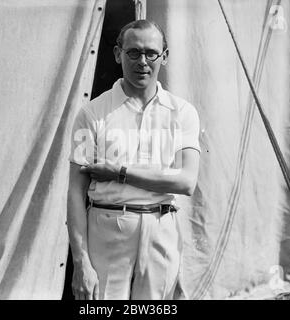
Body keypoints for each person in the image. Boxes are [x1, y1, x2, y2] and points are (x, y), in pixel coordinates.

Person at [67, 19, 201, 300]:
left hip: (161, 229)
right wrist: (81, 263)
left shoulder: (182, 112)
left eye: (151, 53)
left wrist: (120, 173)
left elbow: (187, 182)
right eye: (133, 53)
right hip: (107, 228)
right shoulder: (92, 114)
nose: (143, 61)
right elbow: (75, 192)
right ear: (117, 54)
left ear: (164, 57)